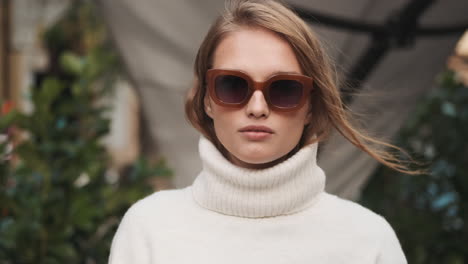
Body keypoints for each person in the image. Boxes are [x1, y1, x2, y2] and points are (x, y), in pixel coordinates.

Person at [108, 0, 413, 263]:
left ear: (310, 106)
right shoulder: (149, 227)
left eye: (284, 89)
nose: (257, 107)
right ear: (207, 100)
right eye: (232, 85)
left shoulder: (368, 240)